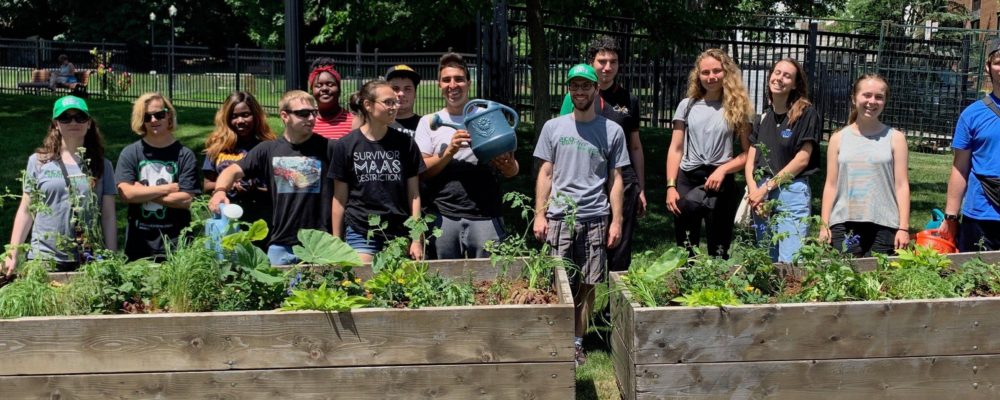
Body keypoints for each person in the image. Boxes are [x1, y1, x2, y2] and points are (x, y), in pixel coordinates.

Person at [533, 64, 628, 365]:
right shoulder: (553, 127)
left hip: (594, 217)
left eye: (585, 86)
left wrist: (616, 220)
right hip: (560, 217)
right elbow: (546, 172)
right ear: (569, 90)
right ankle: (553, 339)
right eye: (574, 86)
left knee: (587, 285)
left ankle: (576, 342)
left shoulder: (612, 130)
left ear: (596, 89)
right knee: (557, 281)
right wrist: (539, 214)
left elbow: (615, 179)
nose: (580, 91)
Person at [209, 90, 335, 265]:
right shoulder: (268, 150)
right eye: (303, 114)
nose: (312, 118)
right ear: (285, 116)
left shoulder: (329, 148)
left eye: (314, 113)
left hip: (320, 243)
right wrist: (220, 191)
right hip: (281, 242)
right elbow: (231, 171)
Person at [415, 52, 519, 259]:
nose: (453, 85)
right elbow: (422, 172)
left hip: (485, 213)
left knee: (489, 280)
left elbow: (513, 170)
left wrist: (506, 165)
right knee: (443, 280)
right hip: (442, 215)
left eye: (459, 79)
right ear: (439, 85)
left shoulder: (487, 116)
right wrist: (448, 152)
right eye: (446, 80)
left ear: (469, 83)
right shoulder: (429, 122)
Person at [5, 96, 117, 274]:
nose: (73, 122)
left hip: (87, 257)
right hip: (44, 257)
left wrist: (112, 256)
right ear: (56, 124)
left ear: (88, 123)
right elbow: (26, 210)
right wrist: (13, 253)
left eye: (80, 117)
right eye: (65, 118)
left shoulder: (102, 166)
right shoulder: (38, 162)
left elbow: (108, 216)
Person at [665, 48, 753, 259]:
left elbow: (748, 153)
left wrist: (723, 169)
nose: (711, 77)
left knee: (719, 249)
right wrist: (670, 186)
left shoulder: (738, 108)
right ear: (698, 75)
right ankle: (687, 289)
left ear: (726, 73)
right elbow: (676, 148)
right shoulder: (686, 106)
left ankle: (718, 290)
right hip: (687, 179)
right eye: (705, 72)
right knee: (685, 249)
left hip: (720, 182)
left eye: (716, 71)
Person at [331, 80, 426, 262]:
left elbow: (414, 195)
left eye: (395, 102)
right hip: (361, 230)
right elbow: (339, 198)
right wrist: (336, 241)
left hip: (399, 231)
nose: (394, 107)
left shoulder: (405, 143)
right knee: (363, 282)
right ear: (368, 105)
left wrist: (416, 238)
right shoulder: (346, 145)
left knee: (400, 287)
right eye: (388, 102)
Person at [819, 73, 910, 257]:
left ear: (885, 101)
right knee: (845, 280)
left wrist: (903, 227)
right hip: (844, 221)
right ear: (854, 98)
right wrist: (824, 225)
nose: (872, 101)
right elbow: (831, 184)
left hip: (885, 223)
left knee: (880, 282)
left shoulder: (896, 139)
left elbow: (901, 185)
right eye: (866, 95)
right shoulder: (838, 139)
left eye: (879, 97)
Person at [745, 58, 821, 263]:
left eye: (787, 75)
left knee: (790, 263)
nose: (780, 78)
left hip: (791, 193)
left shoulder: (806, 113)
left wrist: (765, 189)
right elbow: (750, 161)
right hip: (761, 196)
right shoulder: (763, 118)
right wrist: (754, 192)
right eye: (777, 72)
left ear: (795, 84)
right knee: (766, 261)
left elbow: (802, 160)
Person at [116, 93, 200, 261]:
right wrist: (167, 189)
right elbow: (126, 194)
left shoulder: (185, 155)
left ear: (168, 115)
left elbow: (186, 200)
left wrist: (143, 193)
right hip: (139, 244)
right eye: (147, 117)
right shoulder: (130, 153)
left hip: (178, 245)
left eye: (159, 114)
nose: (154, 120)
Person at [942, 41, 1000, 252]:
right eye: (998, 63)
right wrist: (950, 216)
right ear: (988, 67)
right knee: (973, 283)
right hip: (981, 215)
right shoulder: (972, 115)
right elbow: (960, 168)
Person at [202, 91, 276, 243]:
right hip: (224, 219)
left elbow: (278, 190)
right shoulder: (217, 147)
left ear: (256, 116)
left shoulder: (268, 147)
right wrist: (227, 185)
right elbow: (207, 185)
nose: (240, 120)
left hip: (260, 222)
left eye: (246, 115)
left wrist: (255, 190)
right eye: (234, 116)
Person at [309, 58, 354, 140]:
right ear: (311, 91)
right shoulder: (307, 122)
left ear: (339, 90)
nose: (324, 88)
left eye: (330, 84)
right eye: (318, 85)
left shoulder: (354, 122)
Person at [386, 64, 422, 138]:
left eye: (407, 89)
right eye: (395, 88)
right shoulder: (377, 124)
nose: (401, 94)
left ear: (415, 94)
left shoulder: (425, 125)